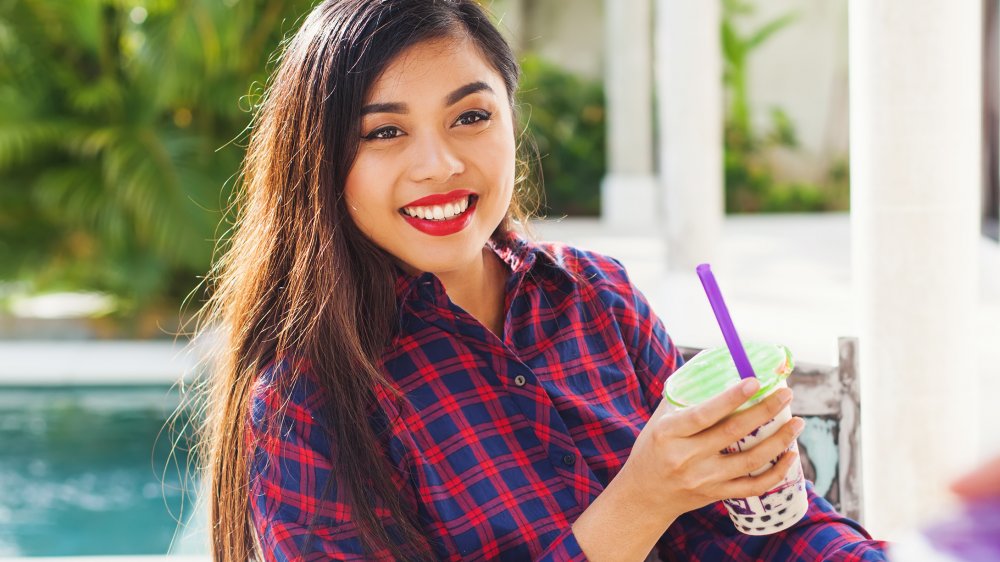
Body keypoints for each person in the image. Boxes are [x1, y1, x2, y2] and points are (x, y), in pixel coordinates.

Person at [198, 1, 888, 560]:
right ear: (320, 163)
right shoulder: (307, 404)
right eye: (384, 132)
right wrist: (641, 501)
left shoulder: (600, 299)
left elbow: (753, 535)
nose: (438, 164)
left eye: (471, 116)